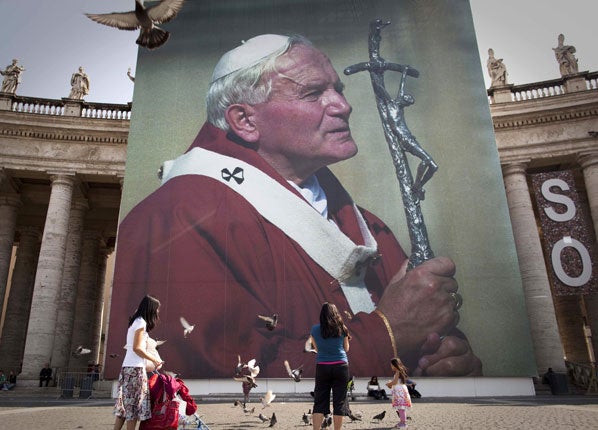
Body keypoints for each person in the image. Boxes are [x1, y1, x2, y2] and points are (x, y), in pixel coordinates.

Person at [108, 33, 482, 380]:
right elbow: (210, 383)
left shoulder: (367, 226)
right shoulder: (179, 216)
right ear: (245, 120)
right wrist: (387, 335)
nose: (343, 105)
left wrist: (444, 358)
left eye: (338, 89)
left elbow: (419, 334)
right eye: (313, 93)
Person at [113, 295, 163, 430]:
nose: (157, 312)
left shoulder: (135, 322)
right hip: (135, 369)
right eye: (157, 309)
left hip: (127, 368)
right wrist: (154, 359)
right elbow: (137, 348)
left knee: (124, 408)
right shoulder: (141, 323)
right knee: (134, 407)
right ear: (151, 309)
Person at [309, 303, 350, 430]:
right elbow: (346, 348)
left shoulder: (315, 329)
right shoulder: (342, 328)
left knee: (319, 402)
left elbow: (316, 348)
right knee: (339, 402)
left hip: (322, 366)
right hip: (341, 366)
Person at [386, 357, 412, 428]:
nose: (391, 366)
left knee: (401, 408)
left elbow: (394, 382)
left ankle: (403, 423)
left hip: (399, 392)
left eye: (391, 365)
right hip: (400, 390)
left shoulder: (398, 372)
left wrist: (389, 383)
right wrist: (390, 384)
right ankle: (402, 421)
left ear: (395, 365)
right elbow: (396, 382)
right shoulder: (399, 372)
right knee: (401, 408)